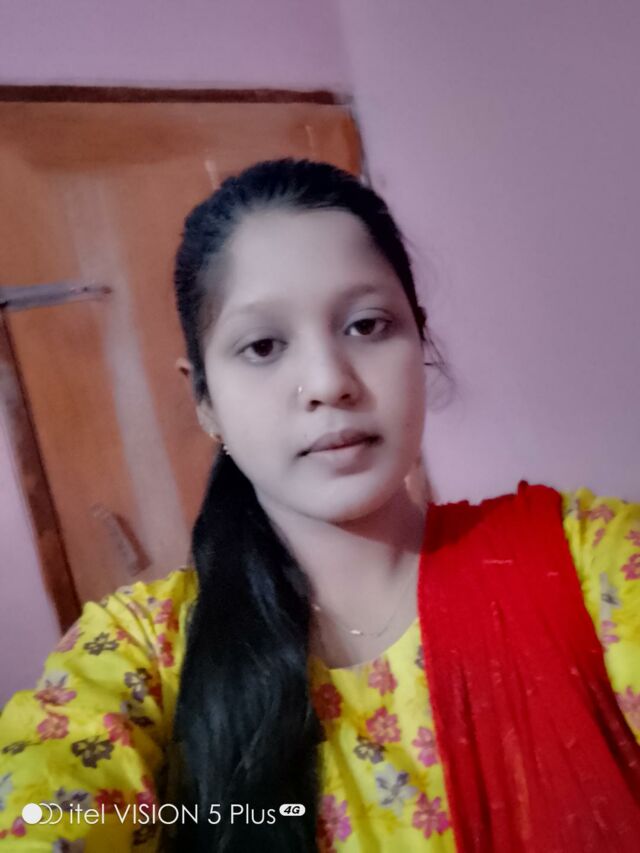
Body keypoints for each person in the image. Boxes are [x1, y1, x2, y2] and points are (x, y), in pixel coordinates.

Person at [0, 158, 638, 853]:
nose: (329, 382)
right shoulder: (139, 655)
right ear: (204, 399)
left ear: (419, 341)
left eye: (366, 325)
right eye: (263, 345)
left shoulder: (587, 564)